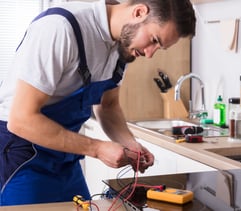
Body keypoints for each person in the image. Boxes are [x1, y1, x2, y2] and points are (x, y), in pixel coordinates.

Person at [0, 0, 196, 206]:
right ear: (139, 12)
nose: (149, 54)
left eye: (159, 48)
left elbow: (108, 106)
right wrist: (98, 149)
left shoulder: (122, 46)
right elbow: (21, 119)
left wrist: (130, 144)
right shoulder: (59, 28)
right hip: (21, 158)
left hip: (65, 161)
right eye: (154, 40)